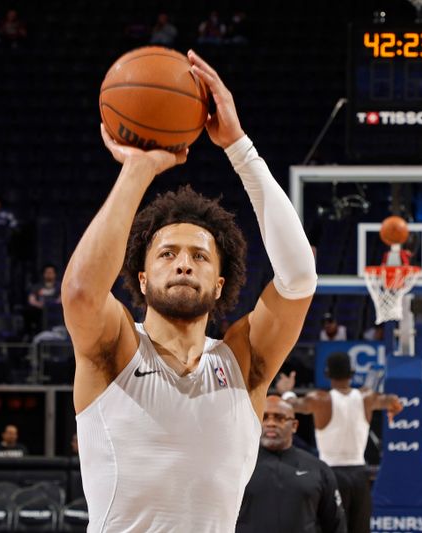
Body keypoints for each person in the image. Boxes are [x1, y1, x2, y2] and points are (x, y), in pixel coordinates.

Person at [61, 49, 316, 531]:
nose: (183, 263)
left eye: (199, 256)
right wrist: (137, 168)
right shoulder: (115, 351)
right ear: (140, 278)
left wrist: (238, 146)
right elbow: (79, 293)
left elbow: (300, 277)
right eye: (166, 254)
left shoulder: (243, 363)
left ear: (220, 284)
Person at [277, 352, 402, 533]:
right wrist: (394, 405)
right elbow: (390, 400)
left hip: (331, 474)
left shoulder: (320, 399)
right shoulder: (366, 396)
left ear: (327, 374)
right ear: (352, 373)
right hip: (359, 475)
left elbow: (291, 405)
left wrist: (286, 390)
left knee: (330, 528)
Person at [236, 395, 346, 533]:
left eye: (279, 418)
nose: (271, 423)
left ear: (294, 426)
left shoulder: (318, 469)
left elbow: (336, 525)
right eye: (264, 417)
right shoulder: (239, 466)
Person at [25, 263, 62, 336]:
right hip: (40, 312)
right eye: (47, 272)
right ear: (43, 274)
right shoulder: (37, 286)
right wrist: (40, 305)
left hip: (56, 311)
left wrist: (52, 304)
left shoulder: (60, 286)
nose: (49, 274)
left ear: (55, 274)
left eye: (51, 272)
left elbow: (61, 299)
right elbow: (31, 300)